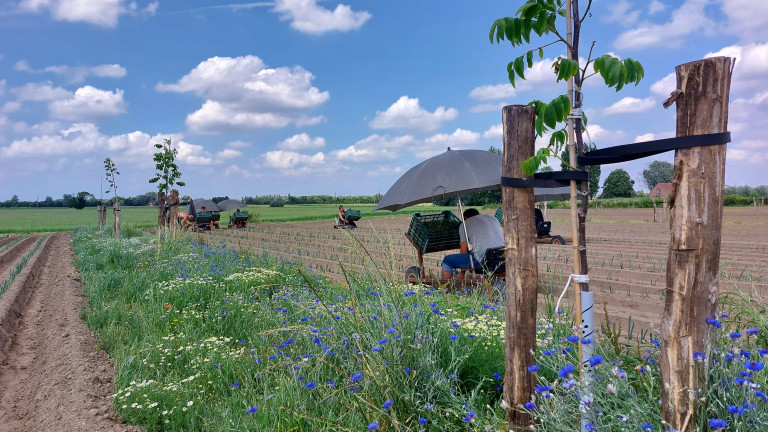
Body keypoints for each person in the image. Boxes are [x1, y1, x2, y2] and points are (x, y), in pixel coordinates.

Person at [440, 208, 504, 280]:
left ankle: (443, 290)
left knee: (447, 260)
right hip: (502, 257)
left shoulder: (463, 225)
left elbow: (463, 250)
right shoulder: (493, 218)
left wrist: (462, 272)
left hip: (485, 261)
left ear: (465, 218)